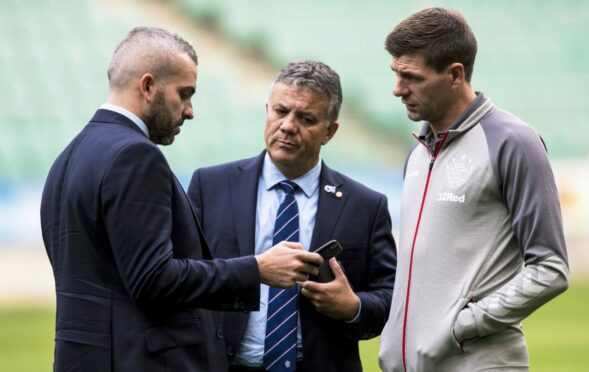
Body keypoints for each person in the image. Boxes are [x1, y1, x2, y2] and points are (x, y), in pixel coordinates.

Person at [40, 27, 324, 372]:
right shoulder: (134, 156)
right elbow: (153, 278)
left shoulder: (70, 156)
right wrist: (257, 268)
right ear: (147, 86)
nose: (189, 111)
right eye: (184, 94)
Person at [377, 8, 569, 372]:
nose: (397, 89)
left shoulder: (513, 142)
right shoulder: (417, 152)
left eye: (411, 77)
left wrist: (461, 327)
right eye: (396, 74)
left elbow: (551, 267)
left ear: (454, 74)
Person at [187, 60, 397, 371]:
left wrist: (353, 307)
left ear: (330, 131)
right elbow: (182, 276)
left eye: (306, 118)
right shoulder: (210, 186)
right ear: (266, 111)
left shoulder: (365, 206)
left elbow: (391, 298)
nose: (287, 125)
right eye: (280, 111)